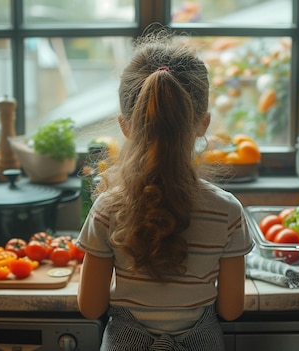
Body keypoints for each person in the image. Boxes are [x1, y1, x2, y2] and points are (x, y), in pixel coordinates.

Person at [76, 26, 254, 351]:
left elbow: (91, 307)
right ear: (203, 122)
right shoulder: (227, 212)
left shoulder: (106, 209)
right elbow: (231, 310)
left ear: (125, 126)